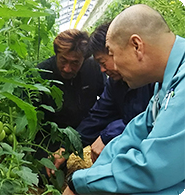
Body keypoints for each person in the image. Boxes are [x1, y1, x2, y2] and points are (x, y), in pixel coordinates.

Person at [63, 4, 185, 195]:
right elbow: (135, 132)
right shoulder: (163, 85)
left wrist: (79, 184)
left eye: (111, 54)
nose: (112, 67)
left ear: (136, 46)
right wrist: (92, 175)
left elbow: (152, 166)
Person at [45, 22, 154, 177]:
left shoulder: (154, 76)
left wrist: (108, 134)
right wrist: (66, 147)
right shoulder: (115, 82)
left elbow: (150, 118)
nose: (102, 70)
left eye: (103, 63)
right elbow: (98, 116)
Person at [34, 29, 106, 186]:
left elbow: (109, 103)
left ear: (85, 59)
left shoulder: (94, 69)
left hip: (87, 129)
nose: (67, 68)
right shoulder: (41, 74)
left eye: (75, 63)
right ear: (56, 55)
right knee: (46, 176)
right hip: (54, 135)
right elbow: (34, 123)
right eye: (63, 60)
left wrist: (106, 135)